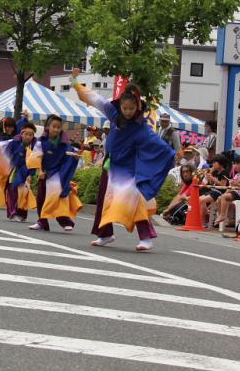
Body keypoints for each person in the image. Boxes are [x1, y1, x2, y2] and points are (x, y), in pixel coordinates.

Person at [71, 69, 175, 250]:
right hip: (110, 164)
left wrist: (172, 154)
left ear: (138, 108)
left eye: (131, 108)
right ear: (120, 106)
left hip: (128, 168)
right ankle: (105, 233)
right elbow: (95, 98)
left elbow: (158, 144)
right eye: (125, 108)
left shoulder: (141, 127)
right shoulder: (113, 113)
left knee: (134, 200)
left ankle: (146, 237)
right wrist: (75, 82)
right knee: (104, 198)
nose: (127, 111)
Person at [26, 114, 83, 232]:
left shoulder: (64, 143)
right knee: (41, 198)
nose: (56, 129)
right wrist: (40, 171)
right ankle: (42, 222)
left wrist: (75, 158)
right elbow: (37, 157)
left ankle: (65, 221)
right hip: (45, 172)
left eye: (58, 127)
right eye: (54, 126)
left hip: (57, 173)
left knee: (58, 196)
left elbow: (71, 154)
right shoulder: (41, 141)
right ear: (48, 127)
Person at [214, 155, 240, 227]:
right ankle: (222, 216)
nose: (235, 165)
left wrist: (237, 184)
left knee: (224, 197)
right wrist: (231, 185)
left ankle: (223, 215)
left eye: (238, 164)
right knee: (219, 198)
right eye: (235, 163)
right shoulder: (237, 175)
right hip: (236, 193)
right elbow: (233, 186)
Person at [197, 154, 231, 226]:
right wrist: (210, 177)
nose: (213, 165)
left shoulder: (225, 172)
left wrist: (212, 178)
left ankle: (203, 221)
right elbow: (212, 183)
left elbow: (223, 185)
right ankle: (204, 218)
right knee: (199, 199)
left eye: (215, 163)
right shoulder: (215, 172)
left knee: (202, 200)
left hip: (220, 192)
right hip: (213, 191)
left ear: (221, 164)